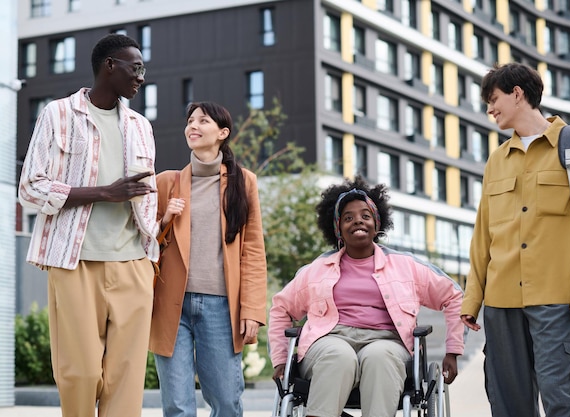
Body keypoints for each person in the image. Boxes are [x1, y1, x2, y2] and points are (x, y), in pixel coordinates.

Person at [18, 33, 158, 417]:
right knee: (78, 374)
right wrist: (103, 193)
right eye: (136, 68)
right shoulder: (57, 114)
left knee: (126, 379)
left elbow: (149, 196)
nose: (141, 77)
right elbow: (30, 188)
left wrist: (151, 256)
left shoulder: (141, 126)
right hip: (74, 261)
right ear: (110, 65)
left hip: (133, 264)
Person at [460, 62, 570, 417]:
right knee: (508, 403)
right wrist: (472, 300)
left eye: (493, 99)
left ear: (517, 93)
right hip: (500, 300)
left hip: (555, 298)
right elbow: (483, 235)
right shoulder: (497, 160)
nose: (489, 109)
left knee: (559, 398)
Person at [268, 176, 465, 417]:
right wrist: (280, 359)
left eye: (365, 215)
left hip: (388, 341)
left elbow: (454, 296)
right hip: (330, 339)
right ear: (338, 227)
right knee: (338, 355)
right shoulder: (316, 270)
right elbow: (281, 308)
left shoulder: (406, 266)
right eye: (348, 218)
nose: (357, 221)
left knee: (380, 357)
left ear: (377, 222)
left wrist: (452, 351)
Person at [149, 101, 268, 417]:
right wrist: (164, 223)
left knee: (227, 402)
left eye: (203, 121)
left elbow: (253, 250)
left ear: (223, 133)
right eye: (189, 121)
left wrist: (253, 310)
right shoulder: (166, 183)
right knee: (177, 406)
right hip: (171, 303)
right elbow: (144, 243)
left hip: (221, 307)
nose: (193, 126)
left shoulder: (244, 183)